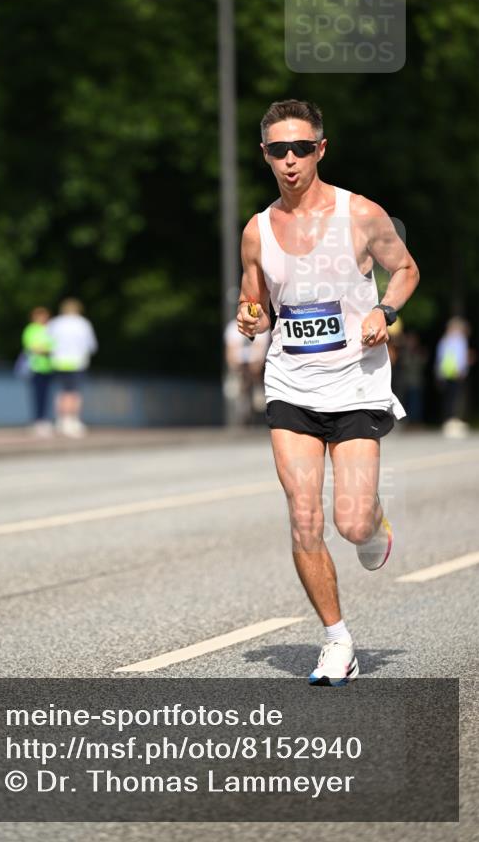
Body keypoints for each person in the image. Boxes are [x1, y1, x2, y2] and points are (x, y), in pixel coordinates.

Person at [237, 99, 419, 686]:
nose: (290, 161)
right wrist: (249, 318)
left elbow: (407, 269)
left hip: (356, 382)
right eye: (277, 151)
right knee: (303, 516)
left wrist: (385, 310)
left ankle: (375, 521)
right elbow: (256, 302)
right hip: (291, 382)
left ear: (321, 149)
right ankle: (337, 640)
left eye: (301, 148)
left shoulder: (360, 214)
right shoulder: (257, 230)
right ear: (264, 155)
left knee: (352, 523)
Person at [47, 298, 98, 437]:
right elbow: (91, 345)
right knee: (74, 392)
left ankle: (62, 420)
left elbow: (48, 342)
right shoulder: (83, 324)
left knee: (63, 391)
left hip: (59, 361)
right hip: (77, 361)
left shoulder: (55, 323)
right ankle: (73, 420)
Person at [224, 318, 270, 425]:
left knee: (257, 378)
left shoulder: (260, 326)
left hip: (255, 363)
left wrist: (257, 365)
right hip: (239, 364)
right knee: (237, 384)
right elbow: (230, 349)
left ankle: (259, 391)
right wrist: (233, 366)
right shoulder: (232, 327)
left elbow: (261, 349)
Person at [435, 317, 472, 437]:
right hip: (455, 373)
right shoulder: (459, 340)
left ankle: (450, 421)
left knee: (450, 398)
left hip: (447, 373)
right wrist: (463, 370)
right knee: (454, 398)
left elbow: (440, 357)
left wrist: (439, 373)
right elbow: (461, 357)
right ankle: (451, 421)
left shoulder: (445, 339)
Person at [22, 307, 55, 436]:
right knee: (37, 394)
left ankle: (45, 419)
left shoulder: (50, 329)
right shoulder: (31, 329)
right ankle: (37, 420)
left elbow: (55, 345)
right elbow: (32, 347)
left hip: (49, 366)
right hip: (35, 367)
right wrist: (46, 350)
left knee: (47, 394)